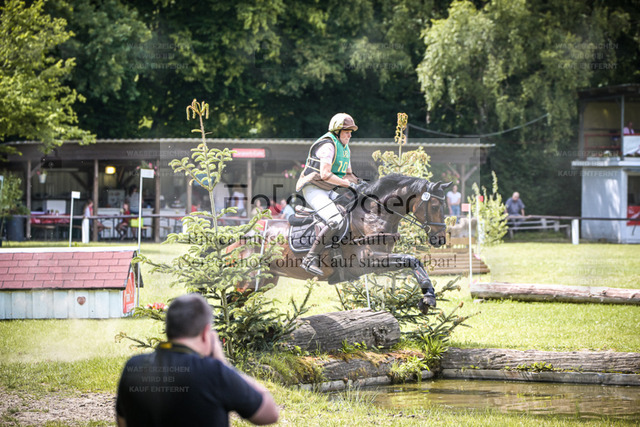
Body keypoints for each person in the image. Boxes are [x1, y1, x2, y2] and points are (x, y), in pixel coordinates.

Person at [116, 293, 279, 427]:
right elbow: (269, 413)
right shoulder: (213, 372)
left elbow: (122, 422)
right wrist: (224, 365)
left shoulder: (133, 366)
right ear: (206, 333)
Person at [295, 113, 362, 275]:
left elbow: (348, 175)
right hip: (313, 188)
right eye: (347, 131)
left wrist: (362, 184)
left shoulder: (345, 148)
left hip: (327, 190)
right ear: (337, 131)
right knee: (335, 220)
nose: (350, 135)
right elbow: (325, 174)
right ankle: (309, 259)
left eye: (351, 132)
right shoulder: (328, 146)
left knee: (352, 212)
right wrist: (349, 184)